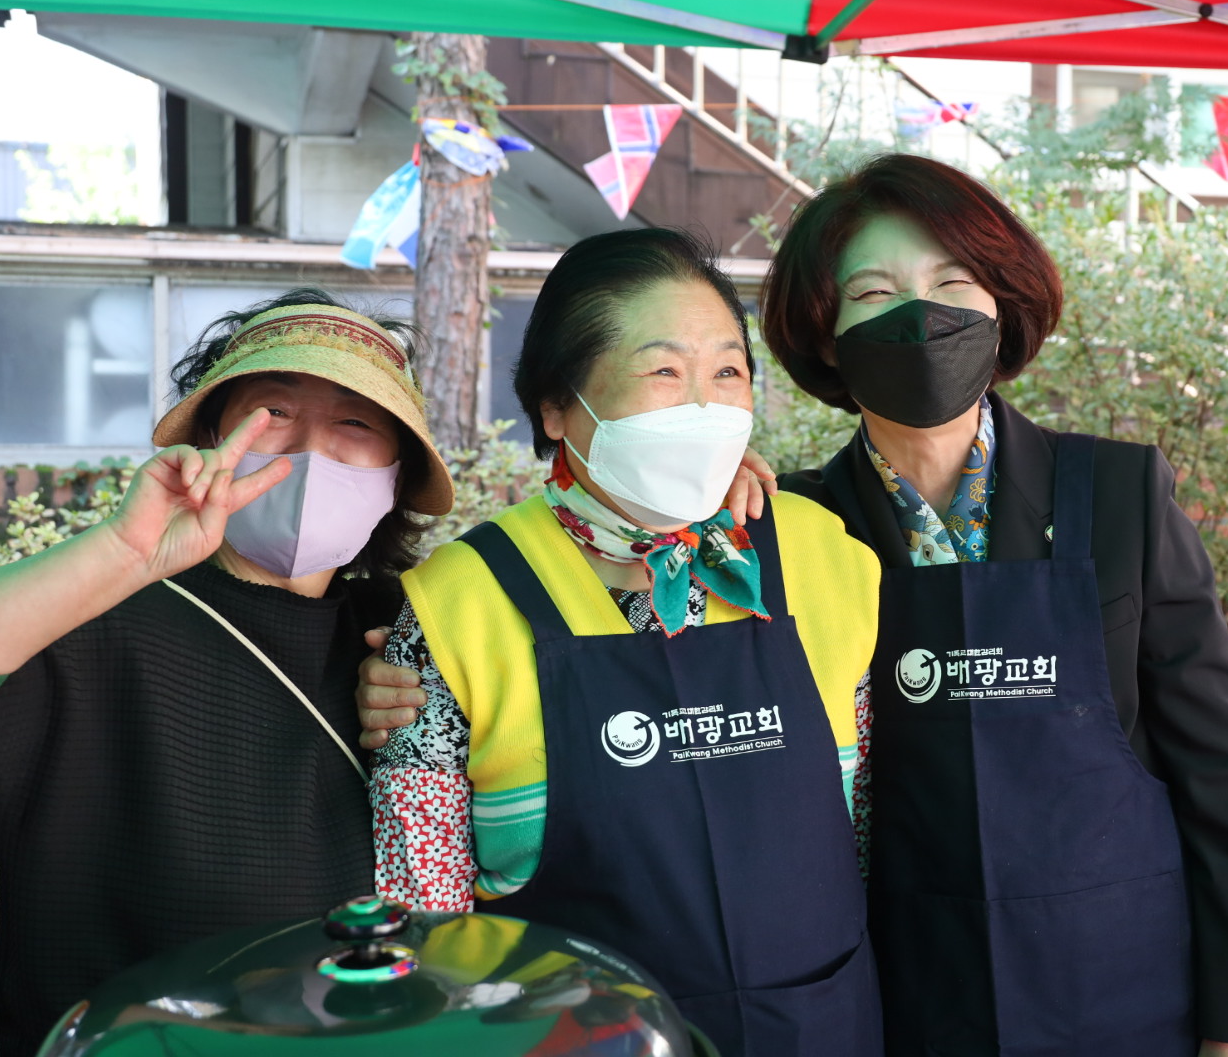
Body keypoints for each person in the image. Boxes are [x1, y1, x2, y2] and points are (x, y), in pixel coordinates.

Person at [760, 154, 1228, 1057]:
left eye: (952, 282)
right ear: (826, 334)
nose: (919, 314)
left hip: (1124, 988)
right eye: (873, 292)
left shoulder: (1119, 494)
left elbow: (1222, 779)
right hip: (906, 995)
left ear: (1001, 305)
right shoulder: (796, 528)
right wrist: (692, 509)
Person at [366, 227, 883, 1057]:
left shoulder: (825, 558)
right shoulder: (460, 603)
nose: (704, 407)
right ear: (556, 405)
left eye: (727, 373)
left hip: (817, 1027)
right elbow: (425, 921)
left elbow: (870, 838)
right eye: (664, 373)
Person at [0, 290, 455, 1056]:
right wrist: (120, 555)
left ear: (396, 475)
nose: (310, 450)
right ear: (211, 437)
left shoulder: (414, 635)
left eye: (355, 423)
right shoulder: (89, 627)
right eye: (273, 411)